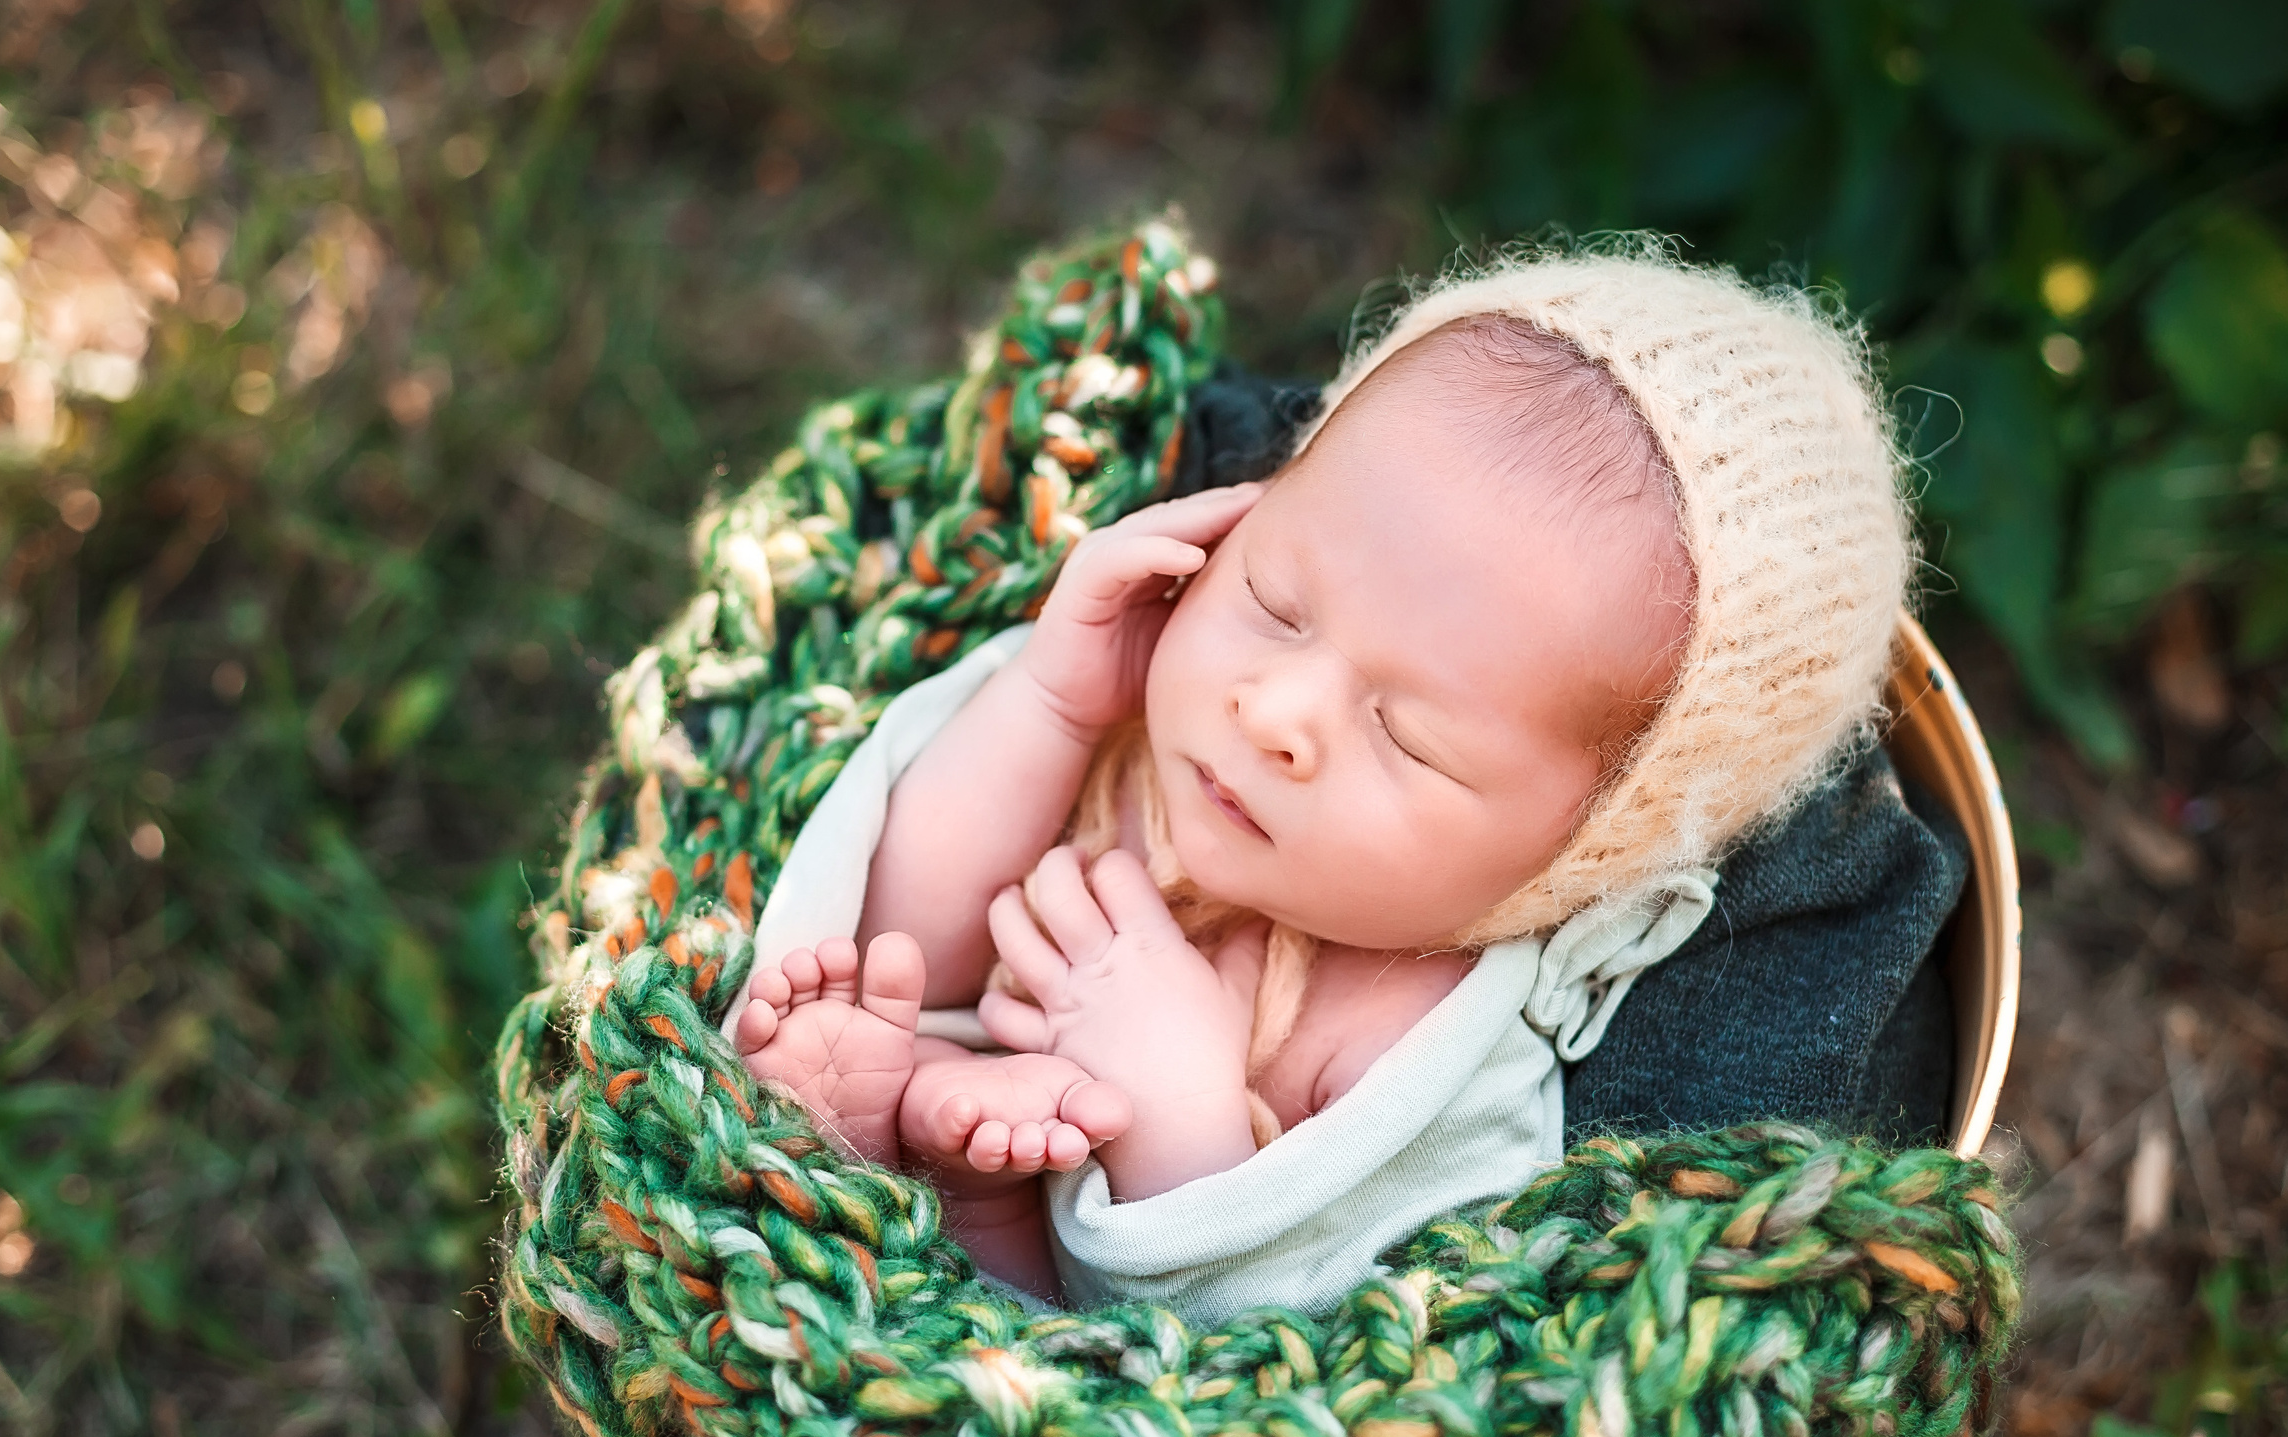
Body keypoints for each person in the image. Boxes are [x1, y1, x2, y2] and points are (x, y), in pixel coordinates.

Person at [729, 249, 1913, 1318]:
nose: (1277, 715)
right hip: (940, 1139)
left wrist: (1174, 1112)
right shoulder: (1141, 716)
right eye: (1275, 602)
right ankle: (884, 1136)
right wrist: (1048, 704)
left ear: (1588, 852)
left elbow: (1290, 1347)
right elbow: (913, 945)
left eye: (1409, 738)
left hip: (1088, 1398)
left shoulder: (1426, 1030)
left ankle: (972, 1211)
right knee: (870, 1007)